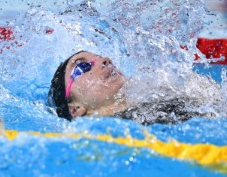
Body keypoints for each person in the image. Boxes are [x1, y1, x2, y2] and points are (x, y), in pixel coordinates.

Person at [47, 51, 212, 125]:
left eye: (99, 56)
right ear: (75, 109)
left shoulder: (160, 100)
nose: (105, 59)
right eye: (83, 67)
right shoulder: (104, 138)